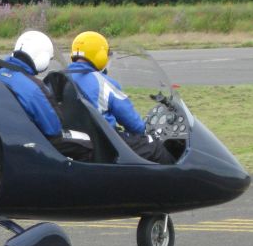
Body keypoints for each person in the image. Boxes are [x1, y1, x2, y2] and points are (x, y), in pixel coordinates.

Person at [66, 30, 174, 164]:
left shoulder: (59, 79)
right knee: (155, 147)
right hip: (105, 145)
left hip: (76, 144)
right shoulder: (103, 83)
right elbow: (134, 125)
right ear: (100, 55)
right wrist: (146, 130)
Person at [0, 31, 92, 159]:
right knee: (87, 143)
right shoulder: (34, 88)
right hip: (28, 141)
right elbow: (53, 129)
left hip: (6, 135)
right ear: (42, 58)